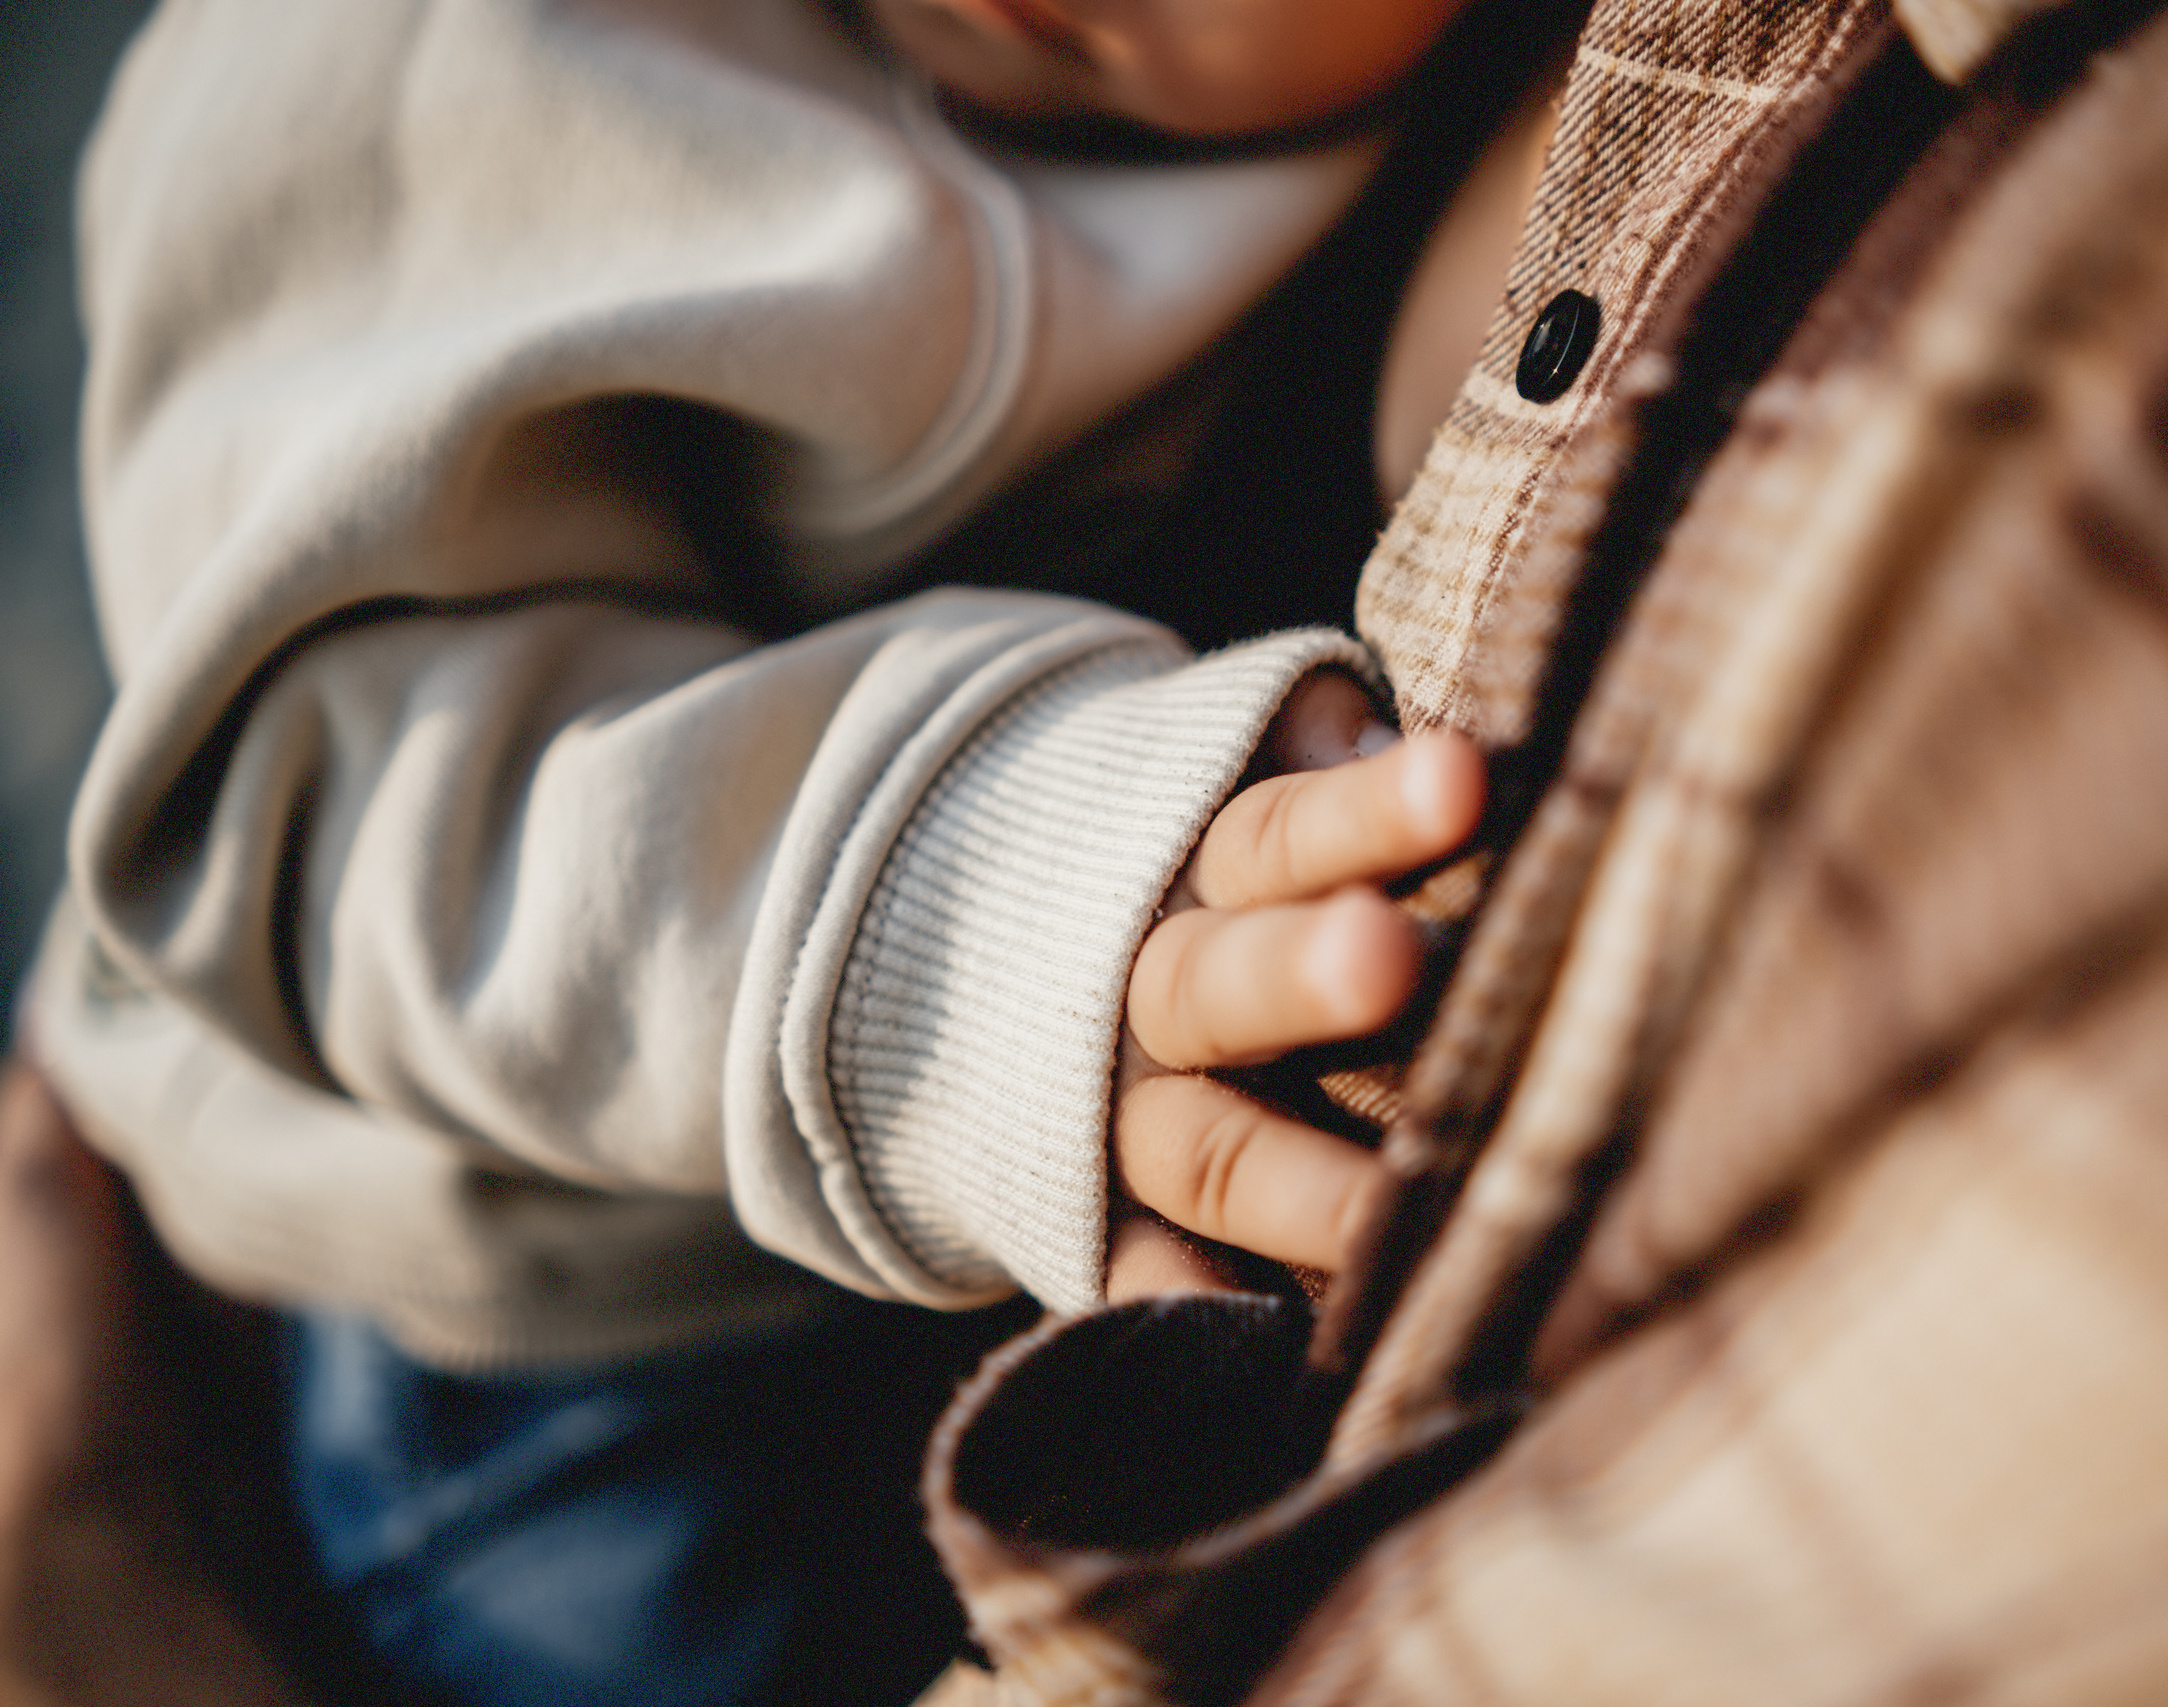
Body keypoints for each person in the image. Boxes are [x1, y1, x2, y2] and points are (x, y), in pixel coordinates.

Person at [11, 0, 1583, 1699]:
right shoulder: (414, 75)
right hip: (526, 1319)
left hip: (877, 1221)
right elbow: (324, 805)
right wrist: (984, 913)